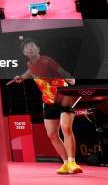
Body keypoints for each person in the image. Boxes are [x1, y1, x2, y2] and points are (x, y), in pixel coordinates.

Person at [7, 38, 82, 175]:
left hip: (63, 96)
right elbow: (30, 72)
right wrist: (21, 77)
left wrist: (69, 77)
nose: (29, 48)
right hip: (48, 100)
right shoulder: (30, 64)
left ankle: (72, 162)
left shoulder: (47, 60)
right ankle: (65, 163)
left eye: (32, 46)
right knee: (52, 134)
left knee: (66, 128)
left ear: (38, 49)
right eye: (26, 47)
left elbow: (61, 70)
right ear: (24, 53)